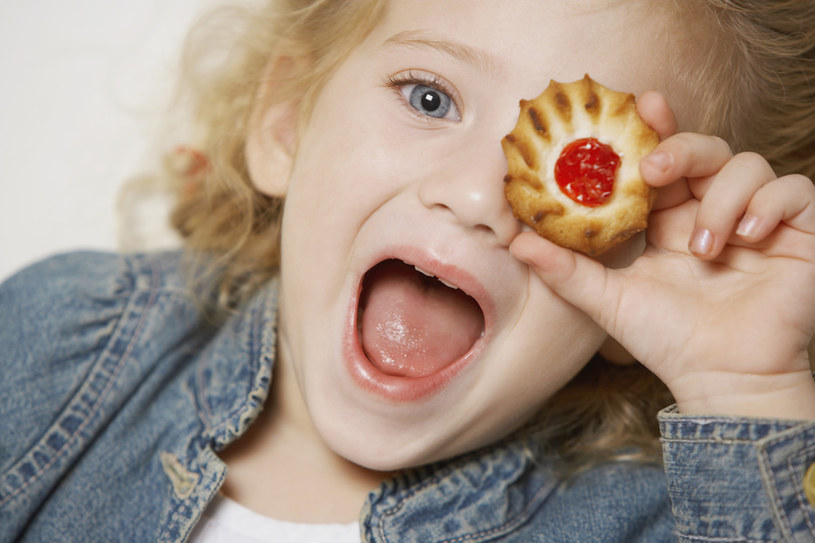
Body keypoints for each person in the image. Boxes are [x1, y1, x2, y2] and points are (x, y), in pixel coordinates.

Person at [2, 0, 815, 540]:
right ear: (285, 124)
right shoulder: (62, 347)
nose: (474, 195)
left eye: (587, 169)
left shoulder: (661, 519)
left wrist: (748, 391)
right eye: (428, 98)